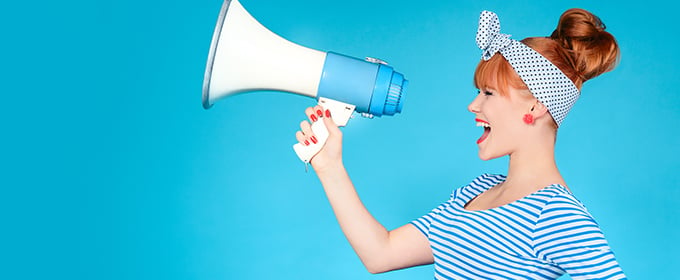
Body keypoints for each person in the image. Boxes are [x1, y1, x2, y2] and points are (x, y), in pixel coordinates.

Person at [294, 8, 625, 280]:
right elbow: (381, 253)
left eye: (488, 93)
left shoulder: (556, 215)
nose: (473, 105)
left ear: (535, 106)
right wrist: (329, 165)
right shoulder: (477, 191)